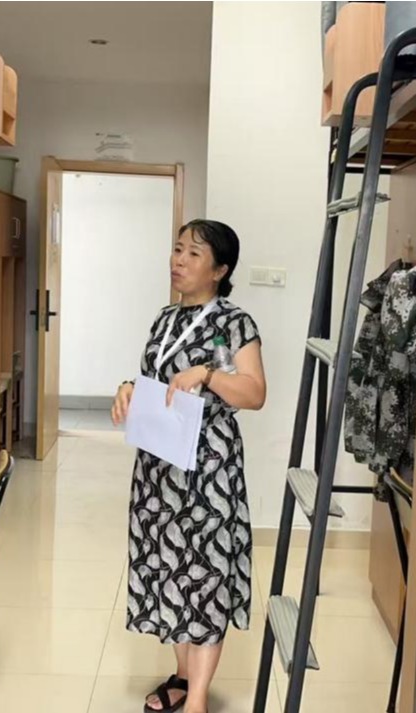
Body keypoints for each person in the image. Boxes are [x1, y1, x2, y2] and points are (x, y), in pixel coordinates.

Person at [111, 219, 266, 713]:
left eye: (194, 254)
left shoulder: (234, 323)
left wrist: (209, 372)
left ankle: (197, 696)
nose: (179, 261)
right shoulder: (164, 319)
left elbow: (254, 393)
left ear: (220, 270)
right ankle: (182, 676)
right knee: (169, 566)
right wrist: (128, 387)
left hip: (208, 468)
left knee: (206, 572)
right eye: (178, 250)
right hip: (159, 467)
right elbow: (156, 381)